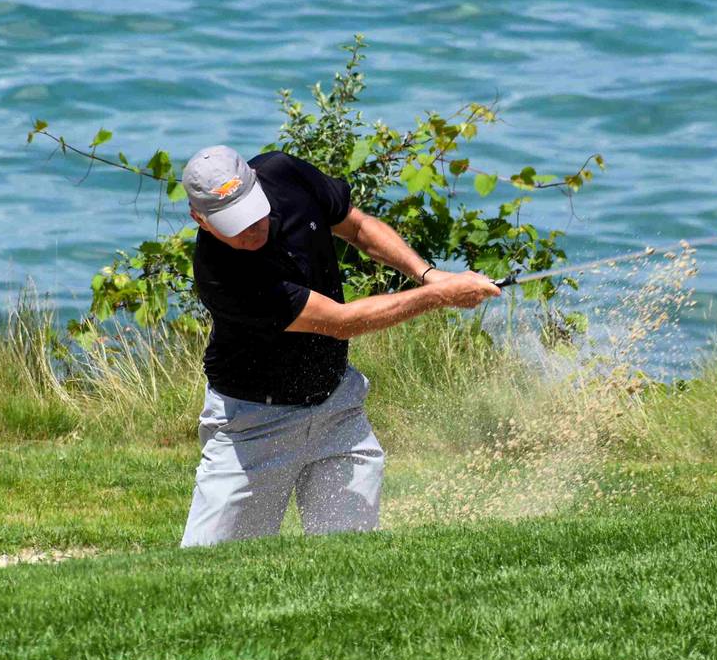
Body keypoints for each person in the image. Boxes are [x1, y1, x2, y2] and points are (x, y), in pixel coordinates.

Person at [178, 144, 503, 547]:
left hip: (337, 409)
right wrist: (442, 296)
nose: (251, 229)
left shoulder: (284, 173)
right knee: (211, 570)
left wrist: (429, 275)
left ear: (257, 184)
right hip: (254, 427)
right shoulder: (220, 273)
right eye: (233, 223)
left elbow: (360, 228)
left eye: (252, 211)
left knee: (350, 558)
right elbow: (341, 323)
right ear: (200, 219)